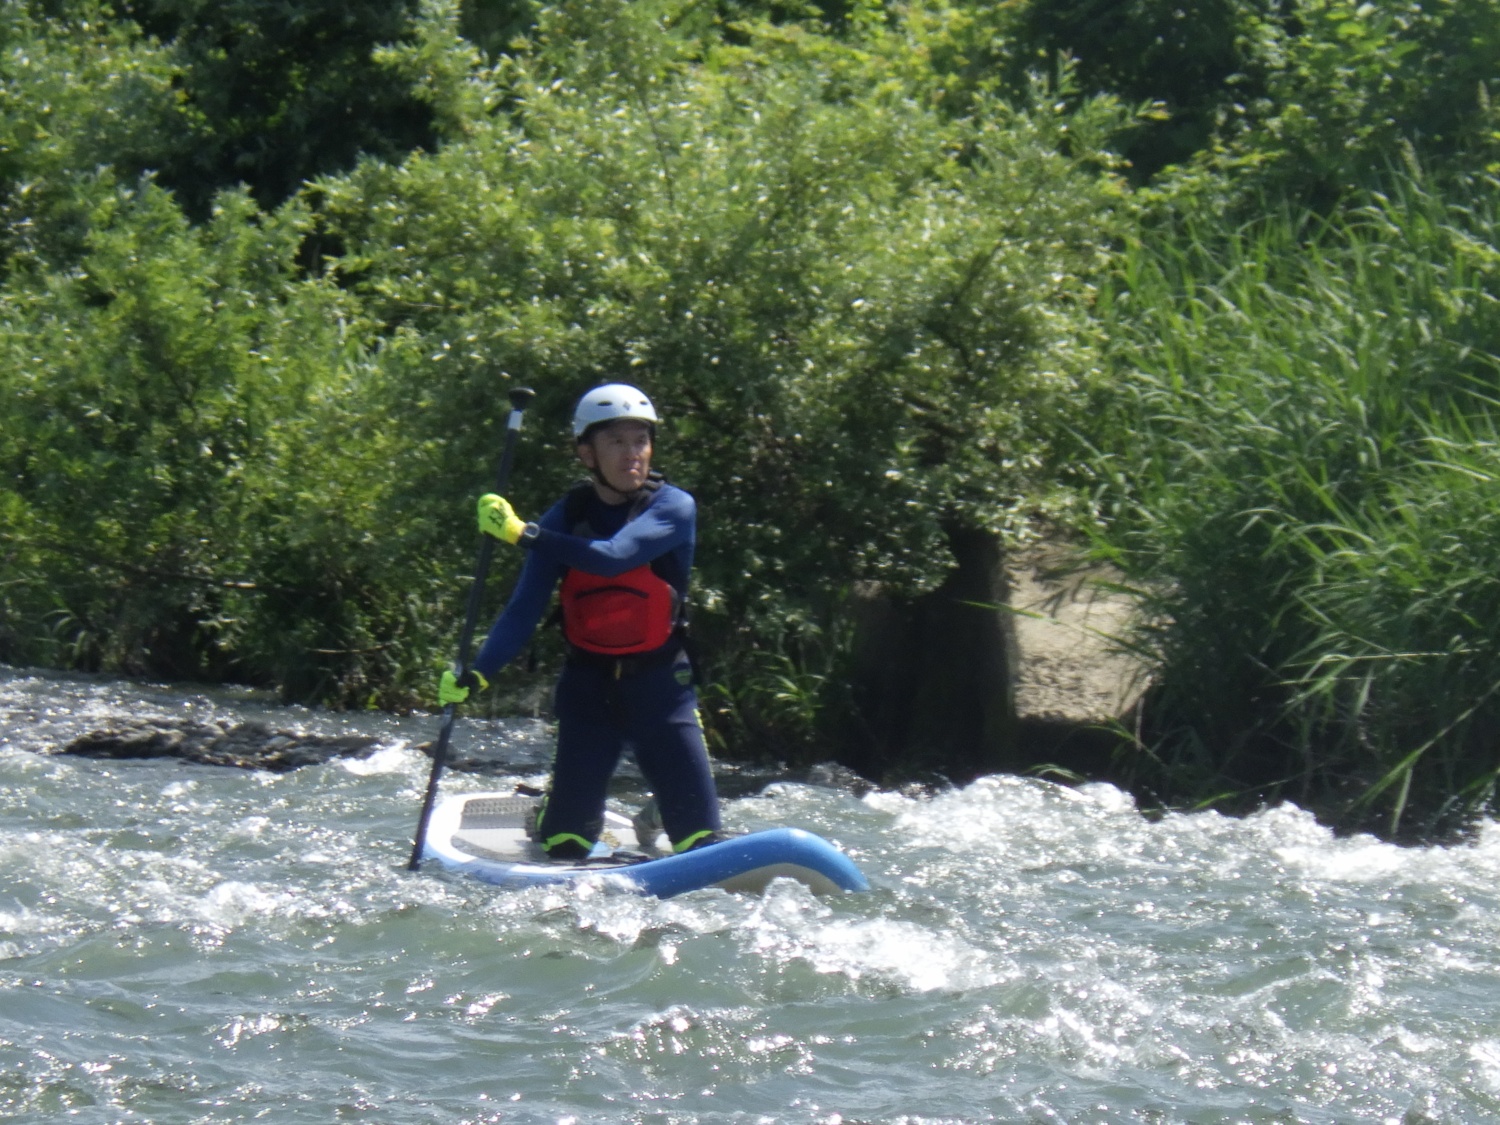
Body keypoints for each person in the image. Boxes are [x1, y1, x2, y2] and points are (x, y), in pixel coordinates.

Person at [437, 383, 722, 859]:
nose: (632, 453)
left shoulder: (673, 507)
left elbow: (614, 557)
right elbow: (524, 608)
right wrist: (479, 673)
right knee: (566, 844)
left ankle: (661, 810)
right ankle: (550, 814)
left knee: (701, 842)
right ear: (587, 454)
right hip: (588, 690)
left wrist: (522, 533)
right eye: (616, 441)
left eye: (640, 441)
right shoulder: (566, 518)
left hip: (661, 689)